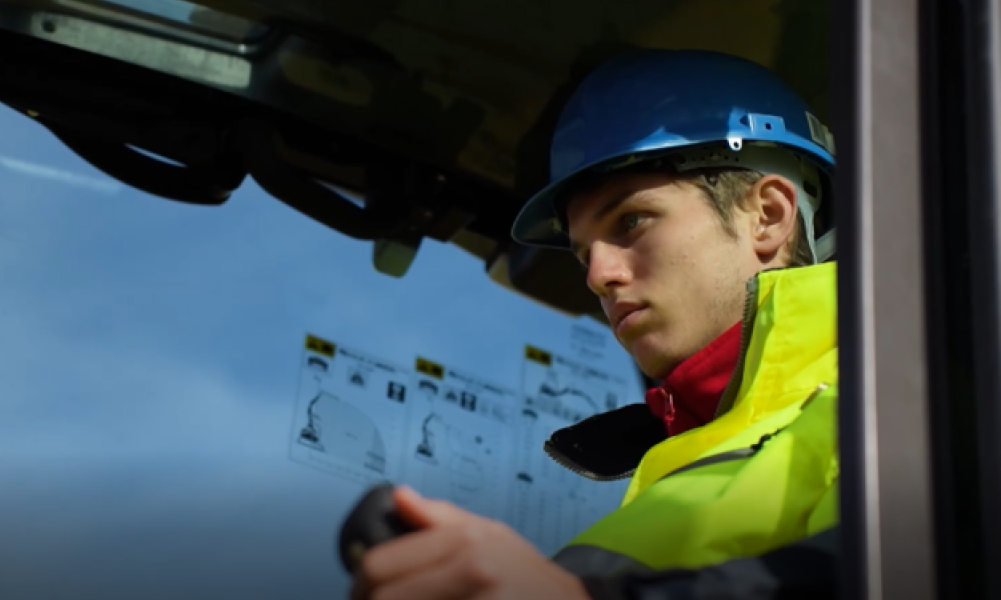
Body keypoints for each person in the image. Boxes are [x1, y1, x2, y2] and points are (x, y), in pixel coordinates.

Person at [350, 49, 840, 600]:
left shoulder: (893, 411)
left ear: (768, 216)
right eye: (584, 254)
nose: (598, 275)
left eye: (631, 221)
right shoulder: (685, 458)